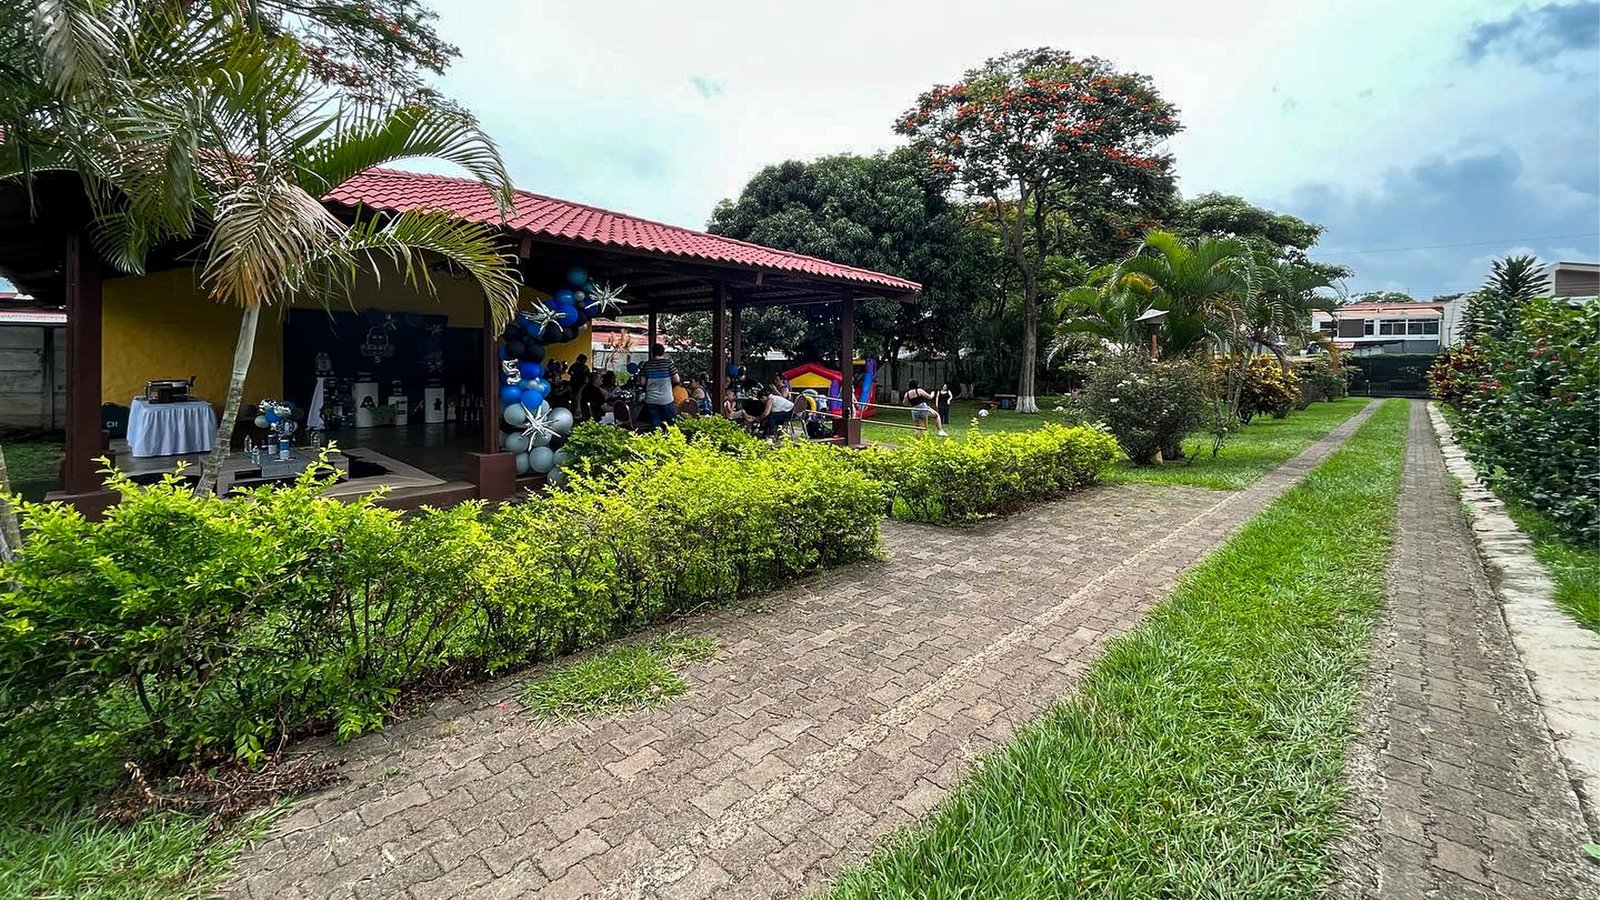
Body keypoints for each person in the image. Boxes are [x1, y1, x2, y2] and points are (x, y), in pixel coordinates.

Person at [638, 342, 680, 430]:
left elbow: (642, 382)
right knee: (672, 424)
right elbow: (677, 379)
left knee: (655, 424)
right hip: (666, 399)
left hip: (651, 399)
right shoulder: (668, 364)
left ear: (652, 353)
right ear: (663, 353)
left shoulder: (646, 365)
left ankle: (656, 440)